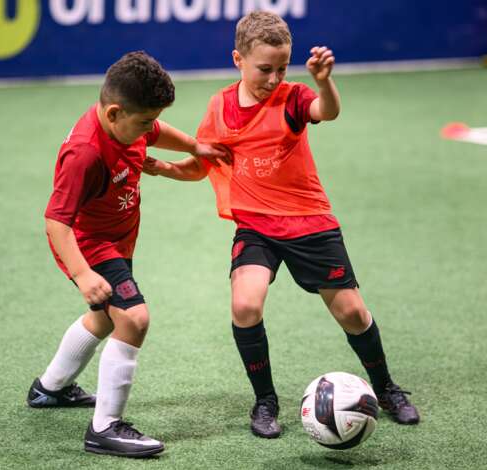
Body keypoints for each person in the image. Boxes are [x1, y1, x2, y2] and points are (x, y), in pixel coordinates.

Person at [143, 11, 420, 439]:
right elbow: (202, 165)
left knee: (353, 312)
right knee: (245, 305)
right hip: (256, 227)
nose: (273, 78)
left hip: (310, 222)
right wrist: (161, 167)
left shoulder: (292, 98)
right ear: (238, 58)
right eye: (264, 69)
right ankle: (265, 401)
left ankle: (385, 388)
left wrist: (324, 80)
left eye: (281, 68)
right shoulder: (220, 107)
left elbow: (326, 111)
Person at [25, 51, 227, 458]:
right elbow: (56, 223)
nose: (149, 131)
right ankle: (105, 428)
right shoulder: (85, 153)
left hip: (117, 239)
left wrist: (194, 145)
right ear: (114, 113)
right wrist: (84, 275)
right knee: (134, 318)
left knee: (103, 318)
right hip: (88, 243)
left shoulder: (128, 125)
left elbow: (156, 131)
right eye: (143, 123)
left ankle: (50, 388)